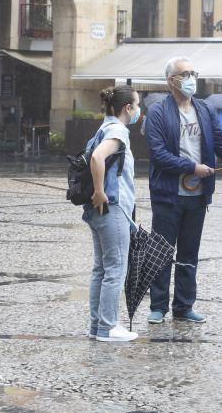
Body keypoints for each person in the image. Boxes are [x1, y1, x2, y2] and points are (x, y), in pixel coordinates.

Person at [145, 57, 222, 325]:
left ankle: (183, 306)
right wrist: (192, 167)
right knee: (162, 251)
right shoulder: (159, 113)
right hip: (167, 195)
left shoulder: (204, 109)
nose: (191, 77)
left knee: (189, 253)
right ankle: (158, 306)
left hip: (197, 196)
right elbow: (159, 156)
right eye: (185, 73)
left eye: (193, 72)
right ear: (172, 81)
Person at [85, 85, 141, 342]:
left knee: (102, 269)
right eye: (137, 105)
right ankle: (108, 327)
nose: (139, 110)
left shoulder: (103, 127)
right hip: (113, 207)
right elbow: (97, 158)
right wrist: (99, 191)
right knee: (115, 268)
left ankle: (97, 326)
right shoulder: (118, 130)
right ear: (127, 108)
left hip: (100, 211)